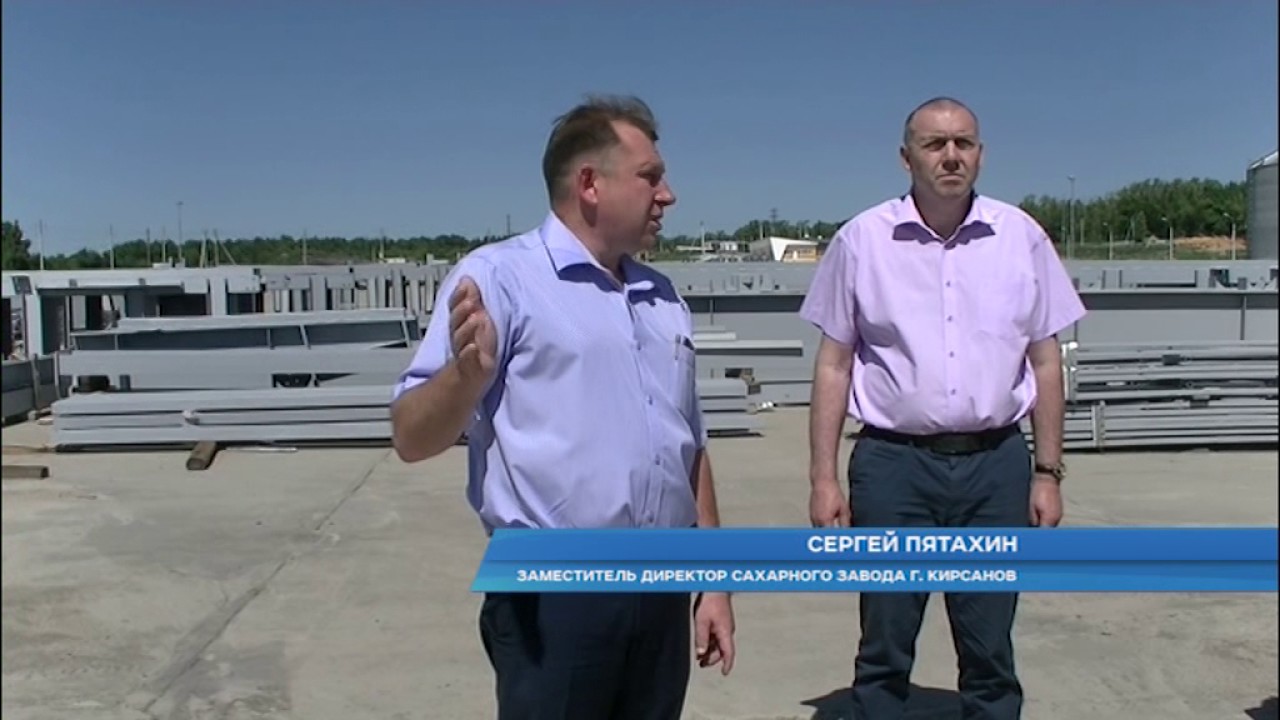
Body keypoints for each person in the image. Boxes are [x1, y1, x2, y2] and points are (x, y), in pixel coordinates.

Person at [389, 94, 735, 720]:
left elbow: (690, 445)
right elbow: (411, 437)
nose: (668, 195)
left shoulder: (662, 297)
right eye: (651, 177)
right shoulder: (499, 278)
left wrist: (713, 581)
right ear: (590, 184)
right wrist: (466, 377)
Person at [800, 96, 1086, 720]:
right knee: (885, 638)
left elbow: (1045, 362)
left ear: (981, 154)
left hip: (995, 468)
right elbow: (834, 364)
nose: (951, 156)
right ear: (906, 158)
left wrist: (1048, 472)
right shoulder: (862, 241)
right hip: (894, 468)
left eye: (964, 143)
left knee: (990, 645)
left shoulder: (1022, 238)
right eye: (935, 144)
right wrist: (823, 478)